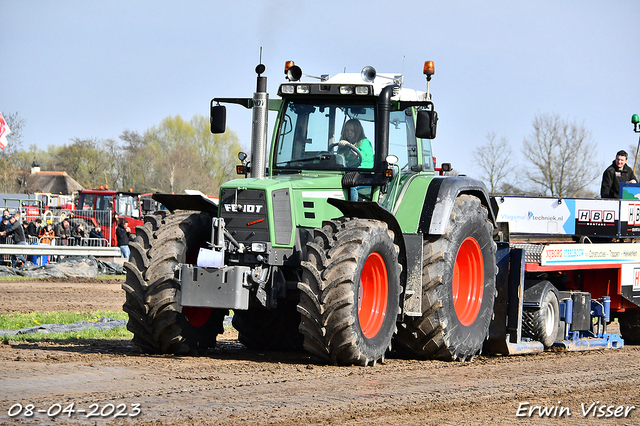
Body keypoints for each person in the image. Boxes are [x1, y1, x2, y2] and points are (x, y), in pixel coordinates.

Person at [337, 119, 374, 201]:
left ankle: (353, 209)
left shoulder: (365, 142)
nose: (349, 133)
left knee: (352, 184)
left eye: (352, 131)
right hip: (349, 173)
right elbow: (339, 159)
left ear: (357, 131)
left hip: (364, 174)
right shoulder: (344, 147)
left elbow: (362, 157)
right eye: (347, 130)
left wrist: (350, 147)